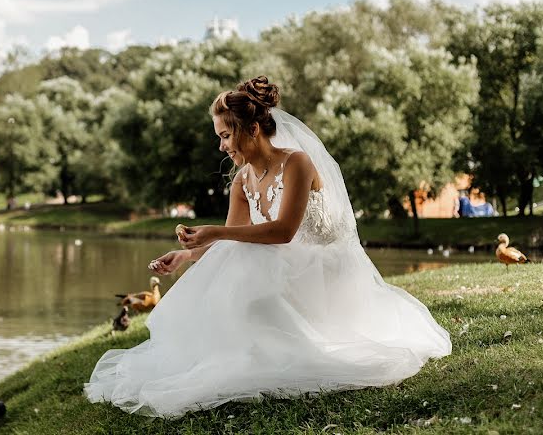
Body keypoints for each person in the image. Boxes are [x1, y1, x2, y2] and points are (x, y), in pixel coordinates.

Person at [84, 76, 451, 418]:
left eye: (226, 135)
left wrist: (212, 232)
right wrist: (186, 255)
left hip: (325, 268)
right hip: (284, 262)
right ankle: (233, 351)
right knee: (236, 264)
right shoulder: (242, 180)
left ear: (253, 129)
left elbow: (283, 232)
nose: (221, 145)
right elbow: (233, 233)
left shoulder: (297, 163)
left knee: (248, 268)